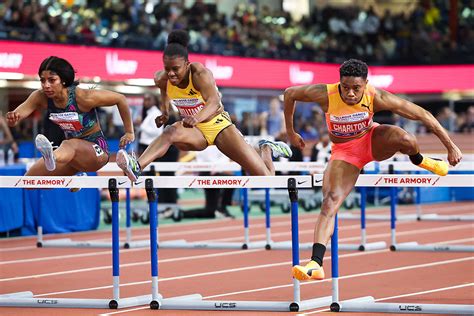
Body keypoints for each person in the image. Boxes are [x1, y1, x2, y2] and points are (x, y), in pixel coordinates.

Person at [283, 59, 462, 281]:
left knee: (405, 138)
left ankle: (420, 160)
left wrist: (450, 145)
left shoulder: (376, 96)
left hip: (372, 141)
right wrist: (290, 132)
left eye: (356, 88)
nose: (349, 93)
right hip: (345, 153)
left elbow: (421, 114)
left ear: (365, 84)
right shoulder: (324, 94)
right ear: (339, 82)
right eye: (345, 87)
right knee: (330, 202)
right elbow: (290, 93)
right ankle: (316, 263)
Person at [116, 29, 292, 182]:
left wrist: (197, 117)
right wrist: (165, 112)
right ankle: (137, 166)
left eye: (176, 69)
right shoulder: (161, 78)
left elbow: (214, 101)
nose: (171, 74)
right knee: (169, 131)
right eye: (167, 68)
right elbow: (164, 91)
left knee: (265, 178)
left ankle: (266, 148)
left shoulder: (200, 73)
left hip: (218, 125)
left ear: (187, 64)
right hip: (195, 131)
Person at [5, 56, 134, 177]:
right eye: (42, 80)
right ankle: (76, 173)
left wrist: (129, 132)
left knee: (69, 144)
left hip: (97, 152)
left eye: (52, 80)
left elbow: (120, 99)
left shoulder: (83, 97)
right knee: (30, 180)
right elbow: (17, 116)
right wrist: (12, 119)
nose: (46, 85)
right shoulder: (40, 97)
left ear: (64, 81)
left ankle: (52, 157)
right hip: (70, 156)